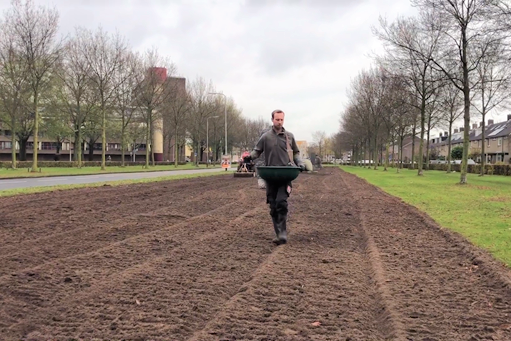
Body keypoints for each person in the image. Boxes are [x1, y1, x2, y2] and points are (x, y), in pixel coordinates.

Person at [244, 109, 305, 245]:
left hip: (285, 175)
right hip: (271, 175)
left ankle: (283, 232)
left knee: (281, 203)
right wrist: (249, 157)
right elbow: (257, 151)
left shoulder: (289, 137)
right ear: (272, 120)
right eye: (277, 119)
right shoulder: (266, 137)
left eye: (281, 119)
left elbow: (296, 153)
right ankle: (278, 233)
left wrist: (299, 163)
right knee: (273, 205)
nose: (279, 122)